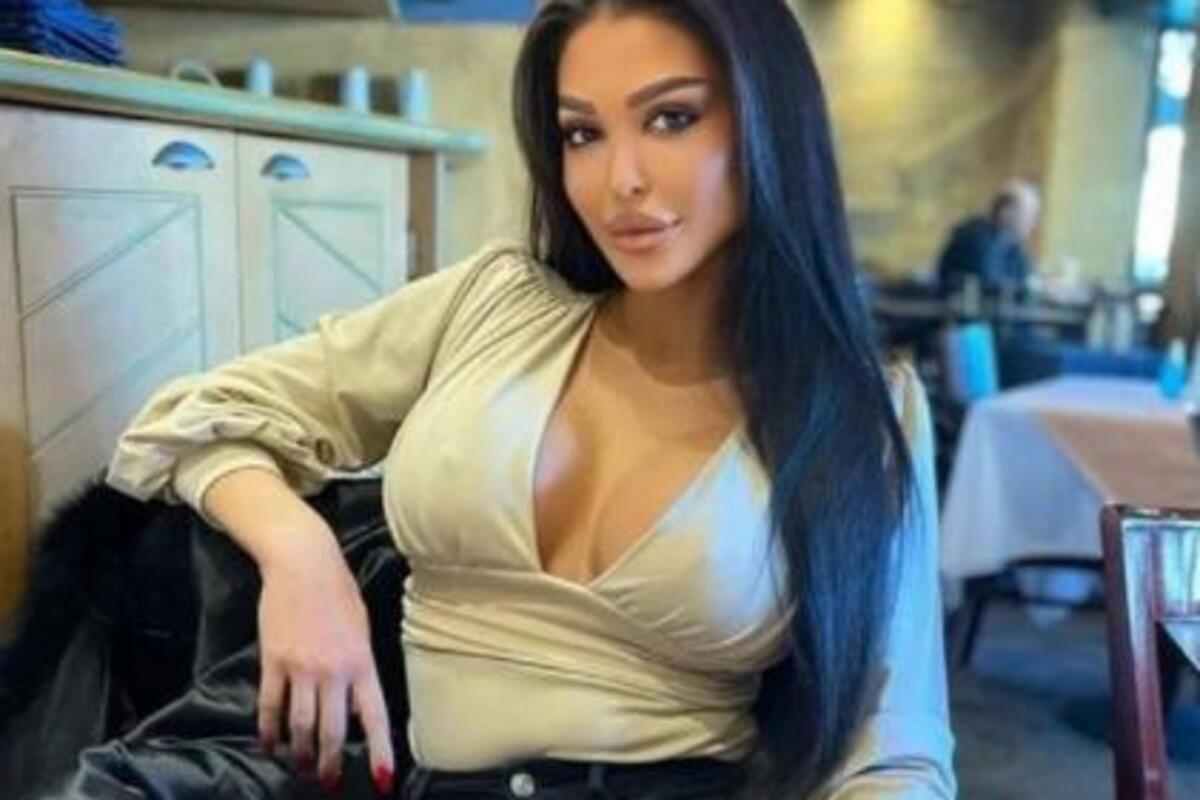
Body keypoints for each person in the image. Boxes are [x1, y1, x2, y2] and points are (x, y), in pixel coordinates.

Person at [104, 1, 955, 798]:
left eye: (671, 118)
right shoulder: (495, 304)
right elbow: (187, 421)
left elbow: (893, 753)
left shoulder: (859, 411)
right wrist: (302, 558)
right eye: (583, 133)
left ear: (769, 123)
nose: (620, 179)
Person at [936, 179, 1041, 299]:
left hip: (992, 307)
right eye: (1028, 214)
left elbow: (1026, 276)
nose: (1032, 222)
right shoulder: (976, 236)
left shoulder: (1010, 238)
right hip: (961, 307)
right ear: (1006, 211)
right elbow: (989, 284)